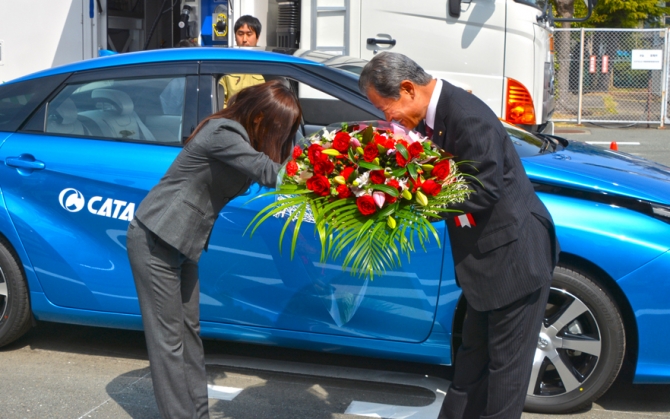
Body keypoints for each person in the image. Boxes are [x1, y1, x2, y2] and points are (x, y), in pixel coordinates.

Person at [359, 52, 559, 419]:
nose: (386, 117)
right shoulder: (436, 116)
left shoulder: (465, 115)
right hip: (484, 263)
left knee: (504, 376)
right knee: (471, 366)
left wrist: (408, 203)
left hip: (514, 257)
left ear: (407, 89)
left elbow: (483, 190)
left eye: (384, 106)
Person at [126, 80, 302, 419]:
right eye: (280, 129)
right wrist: (324, 176)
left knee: (189, 337)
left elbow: (281, 164)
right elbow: (269, 173)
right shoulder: (224, 132)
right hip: (155, 239)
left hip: (183, 244)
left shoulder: (244, 140)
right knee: (169, 343)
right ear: (258, 119)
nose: (282, 137)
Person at [219, 15, 265, 107]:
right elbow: (221, 101)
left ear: (257, 37)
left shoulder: (266, 64)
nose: (244, 40)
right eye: (240, 34)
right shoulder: (226, 65)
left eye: (249, 34)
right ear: (235, 37)